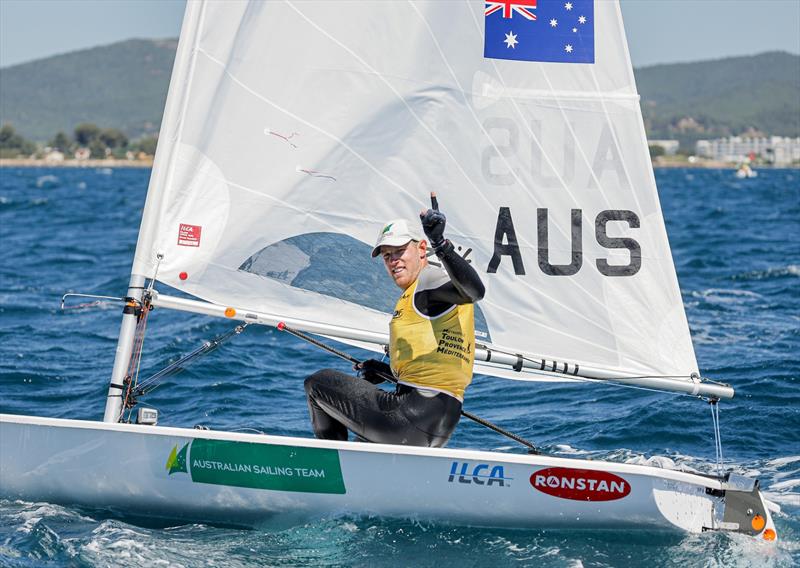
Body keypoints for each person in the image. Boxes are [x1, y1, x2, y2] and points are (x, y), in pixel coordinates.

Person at [303, 194, 485, 447]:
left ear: (422, 249)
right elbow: (434, 367)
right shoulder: (421, 292)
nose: (393, 261)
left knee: (318, 383)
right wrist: (387, 373)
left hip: (411, 414)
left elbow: (474, 292)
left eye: (400, 251)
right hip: (439, 421)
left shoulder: (430, 283)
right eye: (387, 256)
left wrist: (441, 244)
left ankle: (332, 463)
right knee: (362, 444)